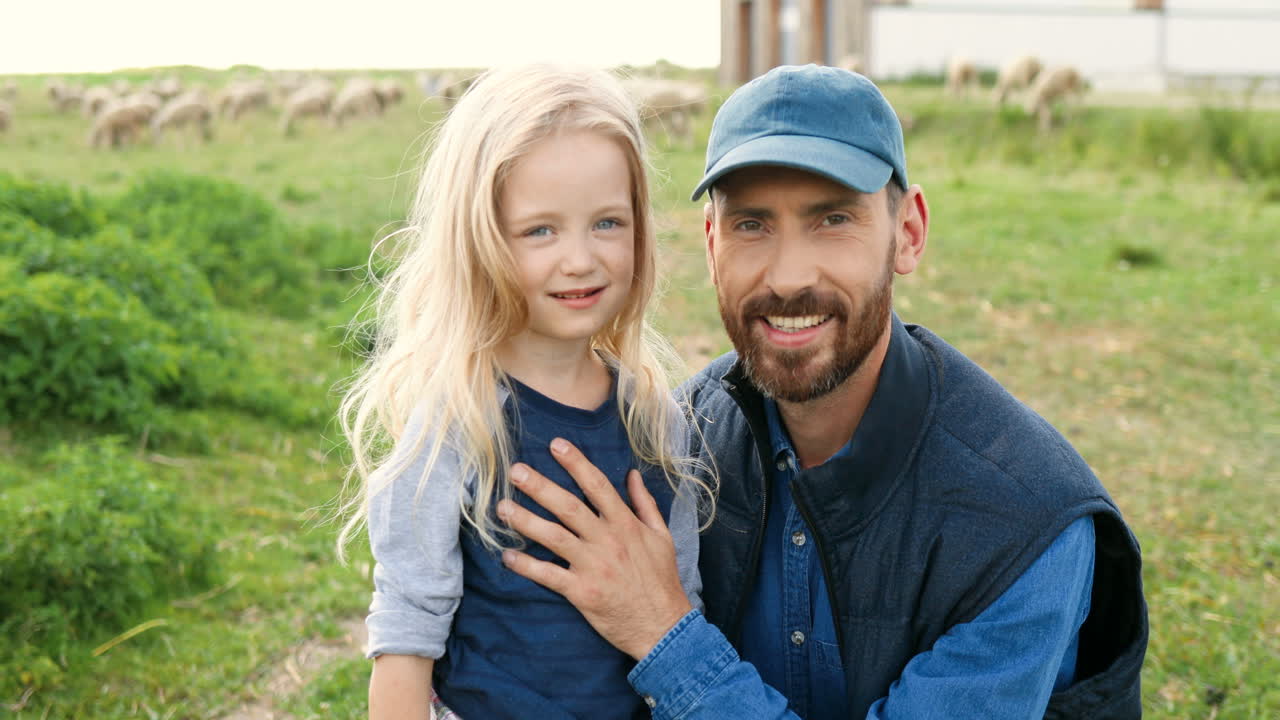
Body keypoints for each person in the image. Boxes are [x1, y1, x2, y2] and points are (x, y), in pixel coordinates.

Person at [497, 64, 1148, 719]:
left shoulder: (1024, 524)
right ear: (711, 243)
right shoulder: (676, 442)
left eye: (832, 219)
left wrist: (664, 636)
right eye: (752, 225)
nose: (787, 277)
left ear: (908, 233)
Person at [336, 64, 712, 720]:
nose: (580, 258)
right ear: (480, 240)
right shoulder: (457, 421)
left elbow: (683, 612)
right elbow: (406, 634)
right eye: (541, 230)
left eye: (608, 223)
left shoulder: (658, 423)